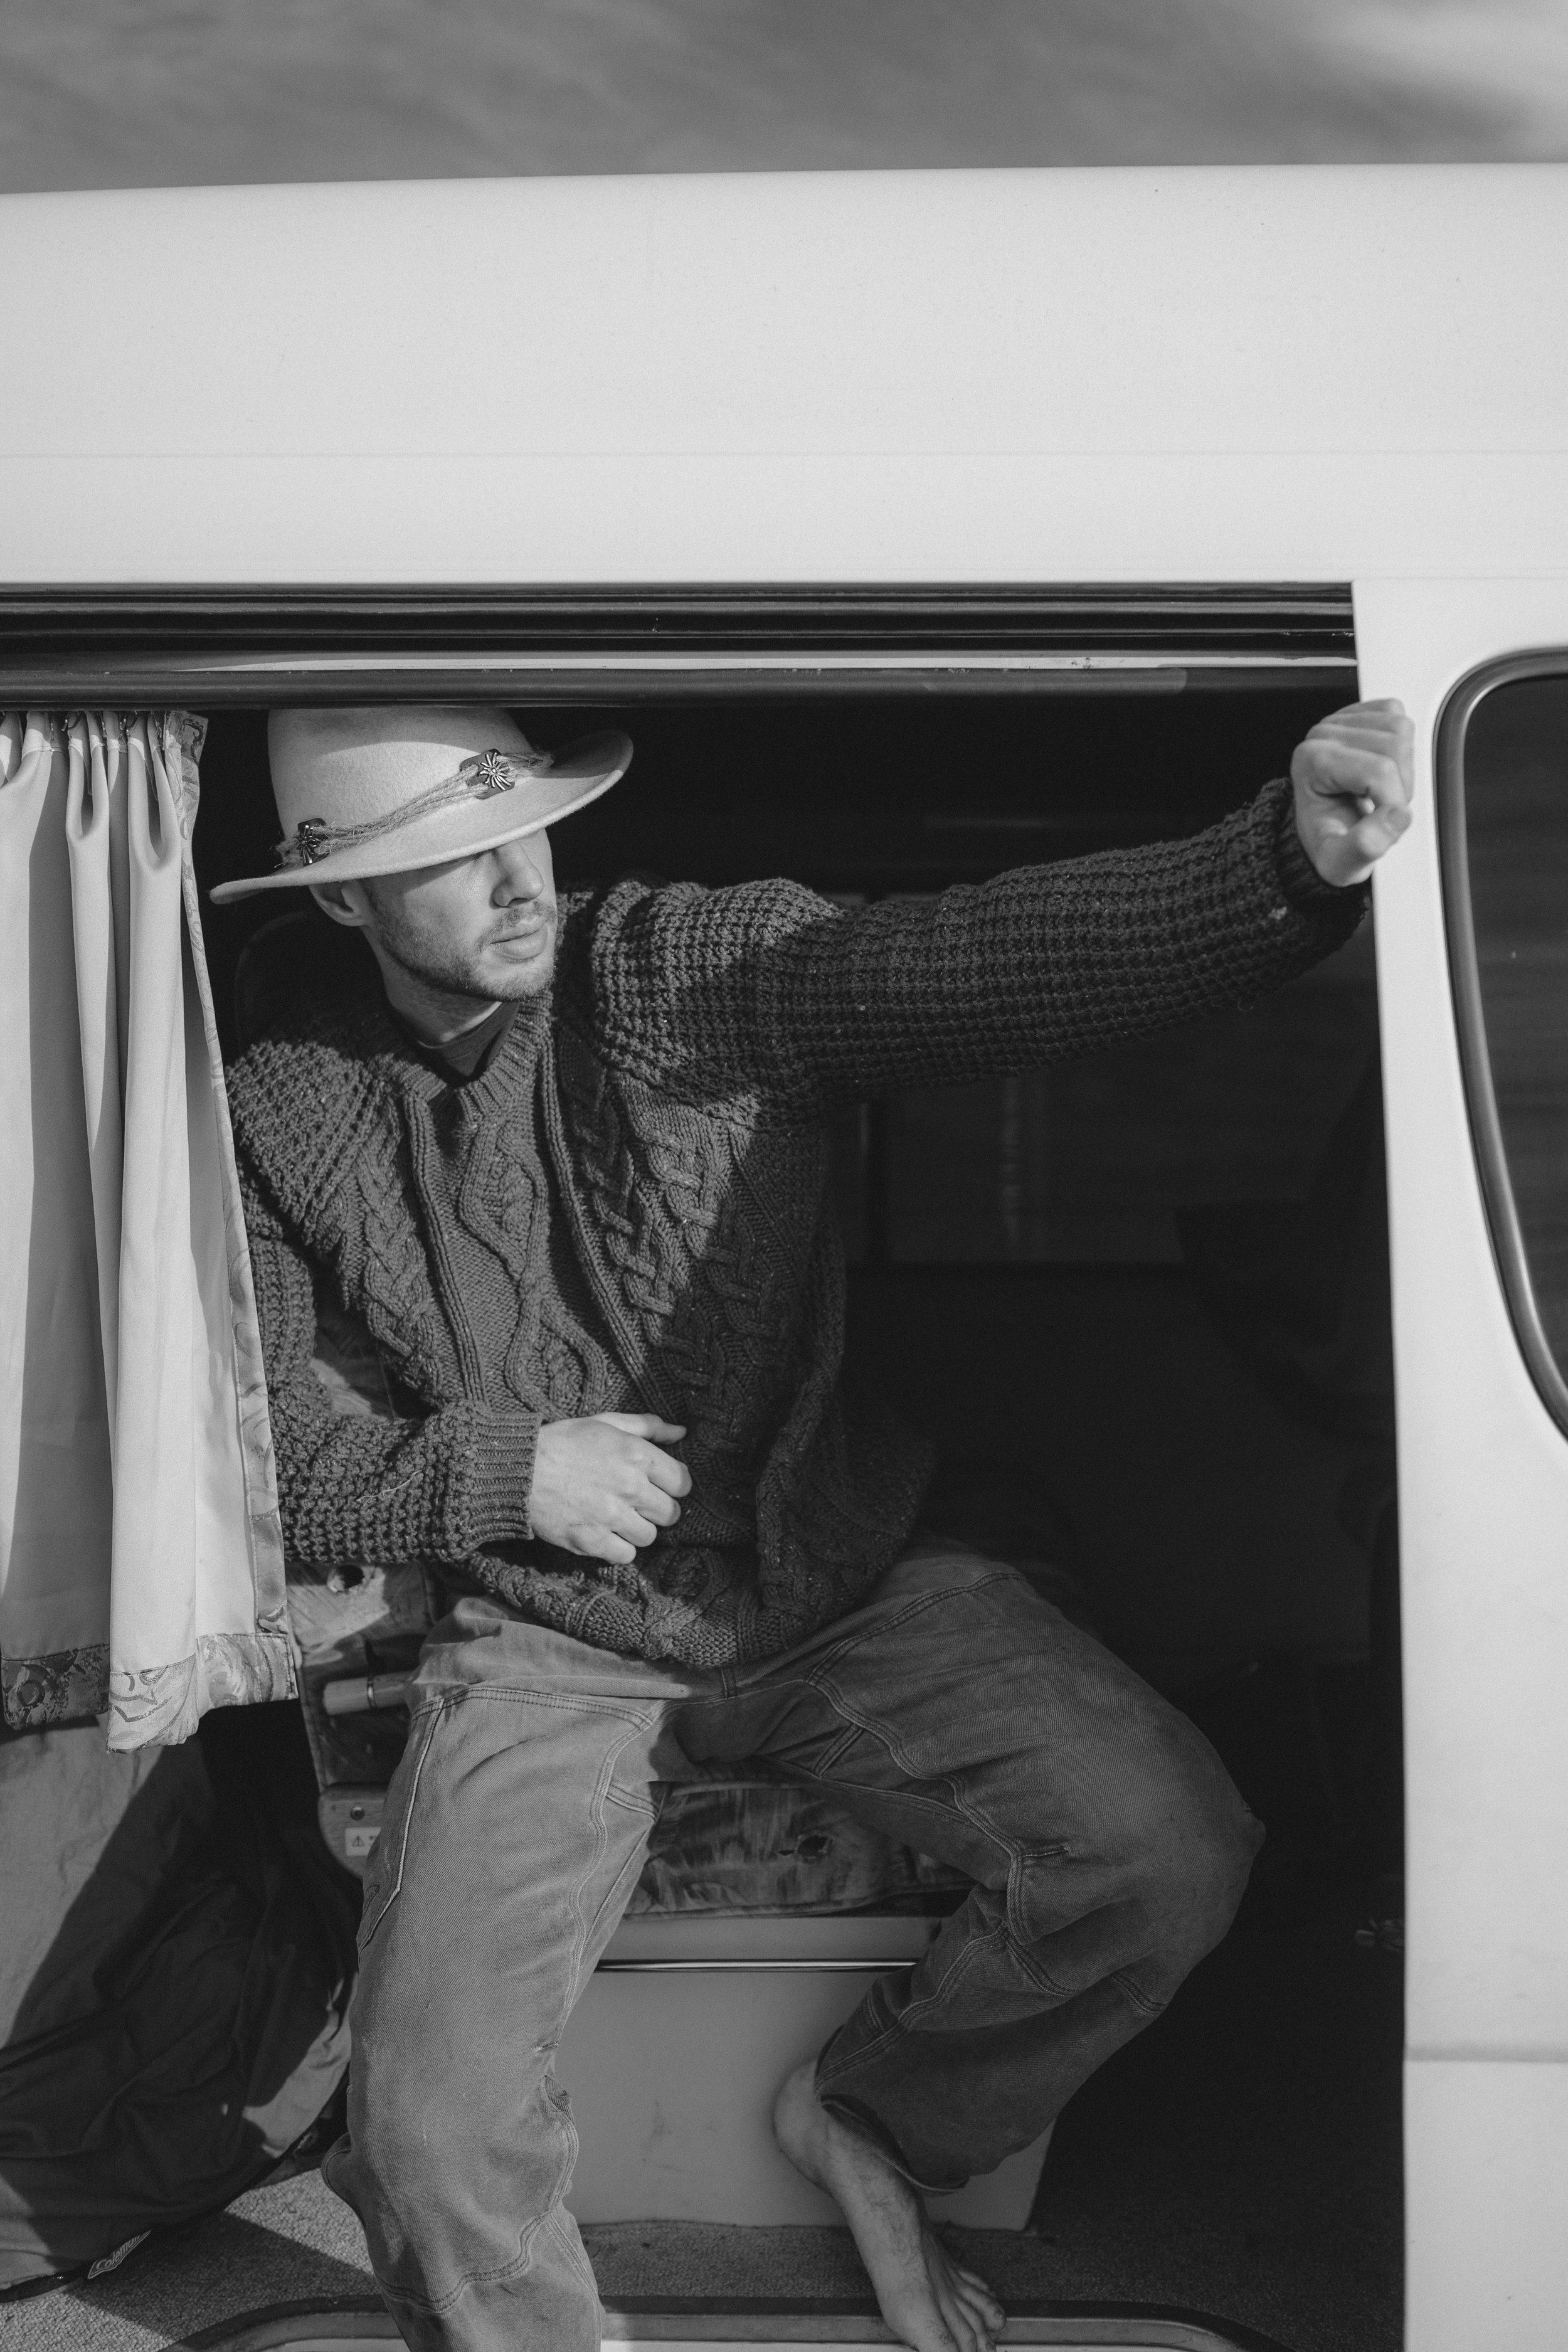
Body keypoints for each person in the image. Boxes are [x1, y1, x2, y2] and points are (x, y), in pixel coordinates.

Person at [213, 696, 1413, 2352]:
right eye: (442, 859)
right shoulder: (280, 1110)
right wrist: (509, 1477)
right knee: (422, 2135)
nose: (511, 883)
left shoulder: (675, 974)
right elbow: (274, 1456)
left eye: (523, 830)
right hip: (546, 1631)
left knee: (1161, 1848)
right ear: (341, 901)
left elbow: (978, 959)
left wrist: (1276, 864)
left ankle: (876, 2124)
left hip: (838, 1566)